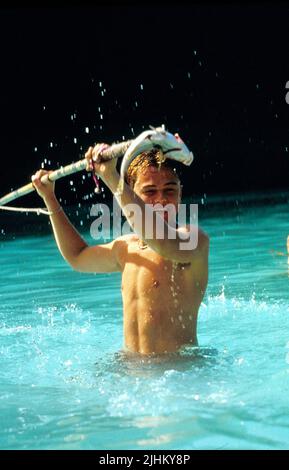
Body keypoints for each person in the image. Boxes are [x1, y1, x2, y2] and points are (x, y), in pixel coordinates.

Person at [31, 143, 209, 355]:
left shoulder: (194, 239)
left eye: (170, 190)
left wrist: (111, 177)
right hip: (130, 372)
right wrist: (49, 198)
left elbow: (163, 243)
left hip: (177, 374)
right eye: (150, 191)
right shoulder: (126, 249)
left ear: (180, 193)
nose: (161, 199)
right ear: (132, 193)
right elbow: (76, 257)